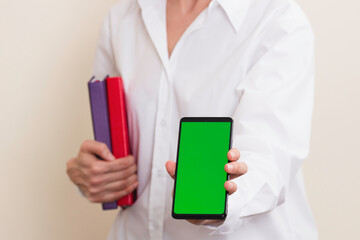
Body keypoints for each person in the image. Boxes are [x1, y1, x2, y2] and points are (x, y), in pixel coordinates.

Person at [66, 0, 318, 239]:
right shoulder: (123, 17)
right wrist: (94, 173)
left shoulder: (278, 21)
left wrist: (218, 198)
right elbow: (113, 134)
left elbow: (269, 161)